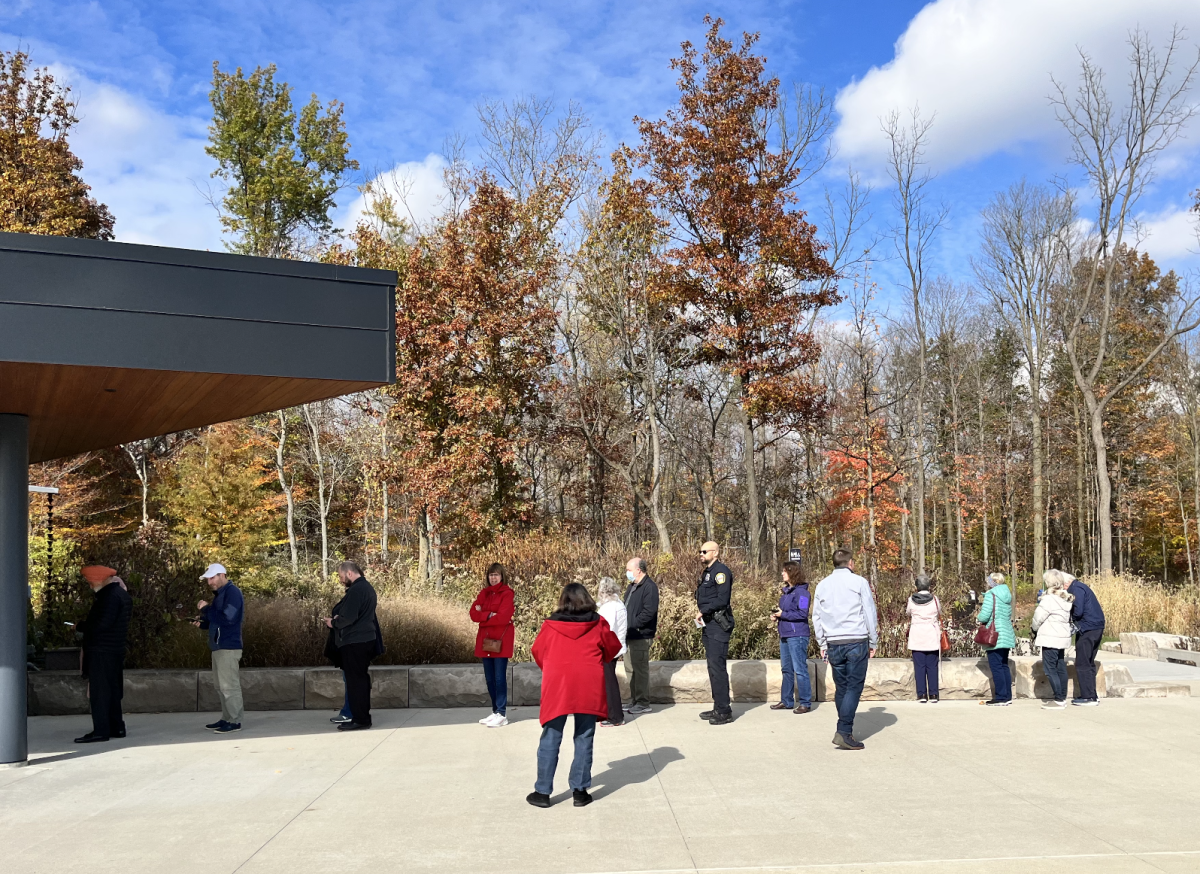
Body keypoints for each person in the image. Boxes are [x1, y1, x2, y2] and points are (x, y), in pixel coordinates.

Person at [527, 583, 622, 808]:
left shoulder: (550, 625)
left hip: (558, 684)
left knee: (551, 735)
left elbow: (538, 652)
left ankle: (542, 792)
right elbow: (612, 648)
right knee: (584, 736)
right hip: (588, 683)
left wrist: (552, 668)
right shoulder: (598, 623)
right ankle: (579, 791)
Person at [811, 548, 877, 751]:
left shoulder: (822, 585)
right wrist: (873, 640)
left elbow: (816, 616)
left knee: (842, 687)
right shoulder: (859, 582)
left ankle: (844, 729)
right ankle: (844, 730)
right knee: (854, 687)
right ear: (850, 563)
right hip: (856, 639)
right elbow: (869, 611)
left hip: (833, 642)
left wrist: (822, 643)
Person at [75, 565, 132, 744]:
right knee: (113, 690)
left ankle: (101, 730)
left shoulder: (108, 597)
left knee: (100, 692)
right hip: (115, 649)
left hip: (101, 650)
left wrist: (80, 626)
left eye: (90, 580)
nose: (89, 584)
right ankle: (117, 726)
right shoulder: (121, 595)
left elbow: (101, 625)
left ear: (98, 579)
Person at [324, 561, 379, 731]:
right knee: (359, 680)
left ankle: (360, 719)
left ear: (349, 573)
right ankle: (360, 716)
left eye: (341, 576)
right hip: (363, 640)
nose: (341, 580)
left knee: (356, 682)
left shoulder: (357, 590)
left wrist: (333, 622)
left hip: (355, 642)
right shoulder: (366, 588)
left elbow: (348, 617)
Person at [196, 563, 245, 734]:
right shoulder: (221, 594)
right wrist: (203, 623)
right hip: (218, 645)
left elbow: (228, 618)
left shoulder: (232, 592)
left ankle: (235, 721)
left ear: (222, 575)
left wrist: (206, 609)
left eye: (212, 577)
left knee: (229, 686)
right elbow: (218, 620)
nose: (210, 582)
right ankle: (227, 718)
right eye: (208, 579)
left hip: (228, 646)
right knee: (220, 686)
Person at [470, 562, 515, 727]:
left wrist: (484, 617)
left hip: (501, 641)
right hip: (485, 641)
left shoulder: (507, 593)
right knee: (489, 678)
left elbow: (504, 617)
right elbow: (473, 613)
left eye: (496, 575)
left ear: (502, 576)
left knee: (499, 678)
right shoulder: (484, 593)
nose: (493, 578)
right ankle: (495, 711)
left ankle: (502, 713)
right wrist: (489, 615)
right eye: (491, 575)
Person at [695, 541, 735, 725]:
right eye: (700, 551)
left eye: (705, 551)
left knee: (718, 667)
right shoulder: (708, 572)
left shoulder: (721, 572)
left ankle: (724, 711)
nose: (701, 554)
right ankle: (718, 706)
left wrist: (704, 610)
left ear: (715, 553)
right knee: (712, 667)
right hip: (708, 624)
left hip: (718, 624)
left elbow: (722, 599)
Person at [770, 560, 812, 714]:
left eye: (785, 571)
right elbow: (786, 613)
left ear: (792, 572)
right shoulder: (786, 592)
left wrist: (784, 614)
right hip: (785, 634)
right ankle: (787, 700)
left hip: (797, 635)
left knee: (800, 669)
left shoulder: (802, 593)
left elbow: (802, 614)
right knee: (786, 669)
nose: (782, 573)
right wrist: (777, 616)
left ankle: (805, 702)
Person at [1033, 570, 1075, 709]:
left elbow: (1038, 618)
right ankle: (1062, 697)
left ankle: (1058, 699)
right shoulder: (1064, 599)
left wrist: (1034, 628)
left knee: (1050, 668)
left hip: (1050, 637)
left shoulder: (1049, 600)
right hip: (1061, 637)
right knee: (1060, 666)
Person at [622, 557, 659, 715]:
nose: (627, 573)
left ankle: (643, 702)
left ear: (638, 570)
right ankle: (635, 700)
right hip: (628, 634)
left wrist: (633, 624)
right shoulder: (632, 587)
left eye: (629, 570)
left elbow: (649, 612)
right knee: (630, 669)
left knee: (640, 669)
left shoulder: (649, 587)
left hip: (641, 635)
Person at [1065, 573, 1106, 706]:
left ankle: (1088, 696)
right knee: (1089, 662)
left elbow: (1079, 610)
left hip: (1088, 628)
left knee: (1082, 662)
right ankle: (1092, 694)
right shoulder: (1080, 587)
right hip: (1096, 626)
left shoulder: (1076, 589)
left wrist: (1070, 616)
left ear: (1066, 583)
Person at [977, 572, 1016, 706]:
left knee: (996, 666)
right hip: (1005, 632)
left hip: (994, 634)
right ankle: (1007, 696)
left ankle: (1000, 697)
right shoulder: (1007, 595)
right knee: (1004, 665)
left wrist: (978, 617)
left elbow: (984, 616)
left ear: (992, 582)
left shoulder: (991, 594)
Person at [596, 577, 628, 726]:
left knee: (609, 683)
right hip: (615, 646)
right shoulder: (617, 604)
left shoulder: (609, 607)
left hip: (608, 648)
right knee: (608, 681)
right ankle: (612, 713)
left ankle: (615, 716)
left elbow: (604, 628)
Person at [906, 574, 942, 703]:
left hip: (917, 634)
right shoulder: (935, 599)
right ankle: (933, 694)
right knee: (932, 665)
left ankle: (921, 695)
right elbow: (939, 612)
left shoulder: (911, 600)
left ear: (917, 586)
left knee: (919, 666)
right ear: (929, 586)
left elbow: (908, 612)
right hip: (931, 633)